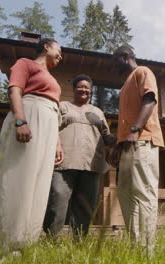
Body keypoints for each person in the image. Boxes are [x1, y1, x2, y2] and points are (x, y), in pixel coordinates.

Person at [0, 38, 64, 250]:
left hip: (48, 125)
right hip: (30, 115)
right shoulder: (25, 63)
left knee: (39, 182)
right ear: (46, 46)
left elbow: (54, 112)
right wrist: (20, 120)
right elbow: (15, 90)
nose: (61, 56)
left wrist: (57, 143)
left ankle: (24, 242)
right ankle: (1, 242)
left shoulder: (51, 76)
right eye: (59, 50)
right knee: (19, 177)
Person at [43, 74, 115, 239]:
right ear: (74, 89)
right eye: (80, 87)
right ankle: (51, 240)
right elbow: (51, 128)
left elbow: (106, 136)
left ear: (91, 91)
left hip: (91, 164)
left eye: (87, 88)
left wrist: (120, 138)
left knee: (85, 206)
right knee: (57, 201)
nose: (84, 90)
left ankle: (79, 241)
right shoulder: (63, 107)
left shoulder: (97, 112)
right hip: (63, 163)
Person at [110, 46, 164, 249]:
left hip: (143, 140)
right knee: (126, 195)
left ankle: (146, 249)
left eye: (114, 60)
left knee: (143, 193)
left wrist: (134, 130)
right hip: (127, 145)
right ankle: (136, 246)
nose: (112, 66)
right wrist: (118, 145)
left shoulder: (143, 72)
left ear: (125, 57)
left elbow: (149, 100)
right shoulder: (125, 85)